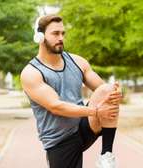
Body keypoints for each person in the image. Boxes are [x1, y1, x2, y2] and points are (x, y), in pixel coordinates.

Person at [20, 14, 122, 168]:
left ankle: (106, 156)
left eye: (63, 33)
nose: (61, 38)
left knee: (107, 90)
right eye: (55, 33)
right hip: (59, 141)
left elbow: (103, 89)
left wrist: (115, 93)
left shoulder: (77, 61)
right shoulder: (31, 73)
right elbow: (56, 106)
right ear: (40, 37)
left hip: (82, 127)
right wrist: (95, 112)